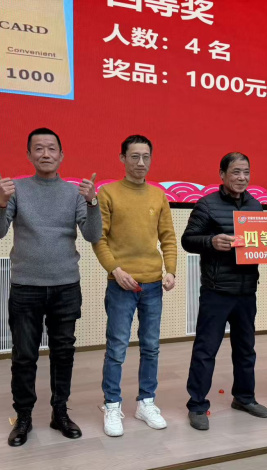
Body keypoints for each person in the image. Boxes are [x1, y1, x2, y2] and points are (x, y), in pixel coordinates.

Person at [0, 127, 102, 446]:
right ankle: (23, 417)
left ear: (61, 155)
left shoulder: (74, 193)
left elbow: (93, 235)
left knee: (63, 353)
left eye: (51, 148)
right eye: (38, 148)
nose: (45, 153)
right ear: (29, 155)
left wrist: (92, 203)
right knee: (24, 355)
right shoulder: (16, 190)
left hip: (66, 287)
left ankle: (59, 412)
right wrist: (0, 201)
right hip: (26, 287)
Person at [92, 135, 177, 437]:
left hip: (153, 284)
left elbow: (168, 237)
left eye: (146, 157)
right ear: (123, 158)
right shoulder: (108, 193)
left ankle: (146, 402)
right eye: (134, 156)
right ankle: (112, 404)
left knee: (151, 346)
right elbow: (99, 238)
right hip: (121, 285)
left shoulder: (158, 195)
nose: (141, 162)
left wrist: (171, 270)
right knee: (117, 347)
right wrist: (115, 270)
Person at [181, 152, 267, 431]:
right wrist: (210, 241)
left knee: (245, 349)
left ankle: (244, 398)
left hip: (246, 291)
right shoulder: (207, 204)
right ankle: (197, 405)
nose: (242, 178)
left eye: (246, 172)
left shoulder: (255, 206)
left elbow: (263, 243)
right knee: (206, 349)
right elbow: (187, 240)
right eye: (236, 172)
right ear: (222, 175)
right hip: (217, 291)